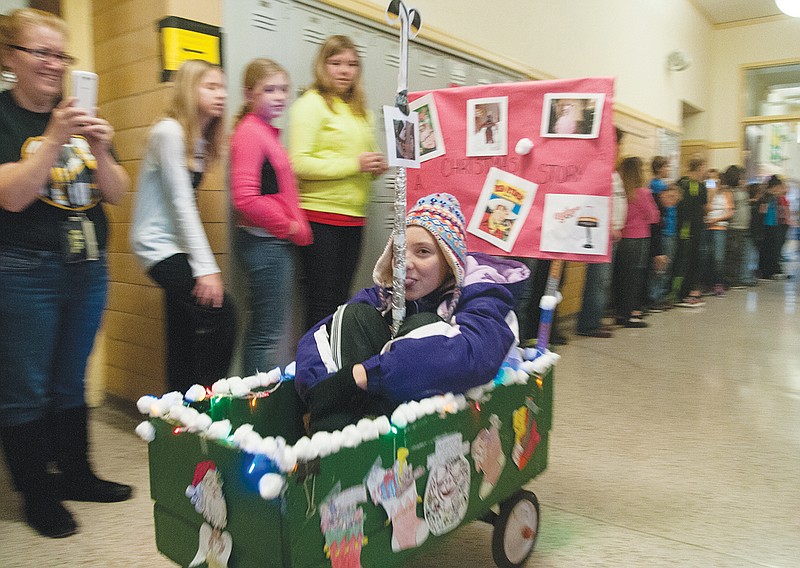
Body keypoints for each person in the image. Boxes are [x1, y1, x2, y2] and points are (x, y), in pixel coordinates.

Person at [0, 8, 132, 538]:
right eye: (42, 53)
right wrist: (54, 138)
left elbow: (118, 192)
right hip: (23, 269)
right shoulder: (8, 118)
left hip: (86, 266)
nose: (55, 65)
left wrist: (100, 147)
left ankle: (77, 474)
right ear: (11, 57)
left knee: (68, 381)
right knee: (26, 388)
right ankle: (37, 494)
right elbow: (11, 196)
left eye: (61, 54)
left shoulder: (80, 113)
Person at [295, 193, 530, 433]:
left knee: (424, 325)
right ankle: (340, 439)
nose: (405, 263)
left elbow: (471, 356)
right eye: (399, 251)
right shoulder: (383, 295)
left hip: (436, 421)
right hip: (376, 404)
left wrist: (364, 374)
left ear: (450, 264)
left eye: (423, 252)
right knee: (353, 317)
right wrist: (325, 389)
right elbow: (320, 336)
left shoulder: (483, 294)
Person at [130, 59, 236, 393]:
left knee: (182, 327)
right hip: (155, 244)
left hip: (174, 243)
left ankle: (177, 410)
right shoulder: (169, 131)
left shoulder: (199, 138)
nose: (221, 94)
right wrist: (206, 268)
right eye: (211, 86)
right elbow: (180, 202)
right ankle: (206, 400)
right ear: (190, 90)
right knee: (221, 313)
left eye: (222, 87)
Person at [288, 35, 388, 331]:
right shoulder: (311, 104)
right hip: (320, 217)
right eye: (336, 63)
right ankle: (312, 369)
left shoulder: (360, 111)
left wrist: (375, 166)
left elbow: (362, 158)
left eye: (352, 64)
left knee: (341, 299)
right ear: (323, 65)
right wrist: (354, 165)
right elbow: (299, 163)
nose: (345, 71)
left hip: (354, 218)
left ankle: (331, 365)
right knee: (320, 301)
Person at [230, 58, 313, 376]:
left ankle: (258, 403)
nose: (278, 96)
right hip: (265, 244)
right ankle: (256, 409)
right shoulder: (251, 132)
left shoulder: (264, 131)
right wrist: (290, 226)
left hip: (272, 244)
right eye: (269, 90)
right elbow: (246, 199)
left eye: (283, 89)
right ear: (249, 94)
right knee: (266, 334)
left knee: (268, 329)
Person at [576, 127, 626, 338]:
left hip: (610, 233)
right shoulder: (599, 168)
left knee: (603, 280)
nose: (619, 148)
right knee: (598, 279)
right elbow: (597, 203)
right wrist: (609, 227)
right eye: (617, 143)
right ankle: (588, 323)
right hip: (601, 234)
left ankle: (594, 318)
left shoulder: (611, 169)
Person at [612, 157, 661, 327]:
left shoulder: (621, 191)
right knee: (636, 277)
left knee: (622, 276)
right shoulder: (643, 193)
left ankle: (620, 312)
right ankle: (633, 313)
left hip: (623, 238)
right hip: (639, 238)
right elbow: (653, 216)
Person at [672, 158, 709, 307]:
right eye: (704, 167)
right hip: (684, 229)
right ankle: (679, 293)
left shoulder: (701, 186)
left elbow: (705, 207)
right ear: (699, 167)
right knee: (683, 261)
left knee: (694, 260)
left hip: (697, 228)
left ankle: (690, 291)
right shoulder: (683, 183)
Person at [702, 168, 734, 295]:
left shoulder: (726, 194)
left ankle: (718, 283)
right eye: (709, 179)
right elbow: (706, 209)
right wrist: (710, 194)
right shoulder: (705, 193)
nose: (712, 181)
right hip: (707, 227)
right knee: (706, 256)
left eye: (714, 179)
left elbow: (730, 212)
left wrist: (717, 219)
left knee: (718, 257)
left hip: (719, 227)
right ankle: (707, 283)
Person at [721, 165, 753, 288]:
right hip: (735, 227)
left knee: (739, 254)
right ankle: (730, 279)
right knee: (732, 254)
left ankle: (736, 277)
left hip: (743, 227)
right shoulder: (730, 191)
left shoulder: (741, 190)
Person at [758, 174, 791, 280]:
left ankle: (772, 270)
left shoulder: (773, 197)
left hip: (773, 224)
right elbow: (762, 211)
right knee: (768, 249)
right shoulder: (766, 197)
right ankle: (766, 271)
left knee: (773, 249)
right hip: (767, 225)